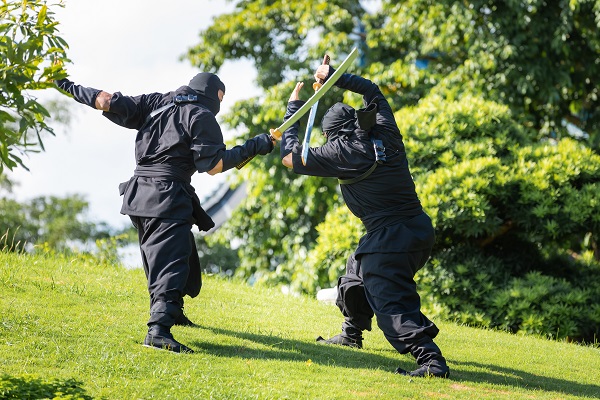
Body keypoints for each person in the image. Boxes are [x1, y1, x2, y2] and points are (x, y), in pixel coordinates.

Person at [55, 71, 274, 353]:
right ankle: (158, 331)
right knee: (171, 264)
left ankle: (174, 312)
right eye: (220, 99)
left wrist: (66, 85)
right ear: (213, 95)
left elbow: (106, 101)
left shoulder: (156, 102)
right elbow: (214, 165)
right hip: (167, 197)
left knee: (175, 254)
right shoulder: (201, 115)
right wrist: (256, 146)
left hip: (139, 196)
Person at [278, 64, 450, 377]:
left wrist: (293, 110)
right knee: (355, 272)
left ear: (332, 134)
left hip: (391, 239)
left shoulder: (342, 151)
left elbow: (290, 158)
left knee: (390, 302)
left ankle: (431, 361)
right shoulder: (383, 128)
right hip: (415, 229)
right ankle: (351, 334)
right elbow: (371, 89)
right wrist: (335, 76)